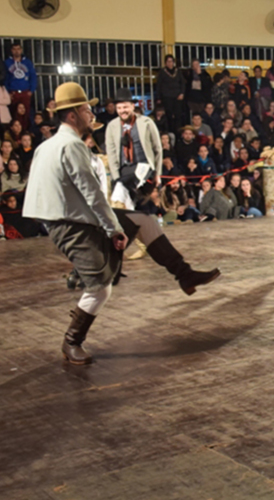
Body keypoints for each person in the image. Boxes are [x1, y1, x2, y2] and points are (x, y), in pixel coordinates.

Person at [22, 82, 220, 365]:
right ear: (72, 115)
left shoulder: (49, 145)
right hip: (71, 224)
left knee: (145, 221)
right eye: (86, 109)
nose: (92, 114)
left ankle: (184, 275)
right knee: (101, 288)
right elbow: (91, 193)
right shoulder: (71, 145)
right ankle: (71, 341)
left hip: (73, 220)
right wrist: (113, 228)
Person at [105, 88, 162, 209]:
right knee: (127, 198)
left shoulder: (146, 122)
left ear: (132, 106)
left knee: (125, 186)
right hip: (125, 169)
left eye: (125, 107)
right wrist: (116, 178)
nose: (122, 111)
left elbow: (157, 149)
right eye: (119, 108)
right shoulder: (112, 126)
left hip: (144, 166)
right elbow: (111, 154)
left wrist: (157, 174)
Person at [4, 42, 37, 120]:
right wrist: (7, 92)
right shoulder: (7, 62)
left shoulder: (27, 62)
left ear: (21, 50)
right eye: (14, 49)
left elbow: (33, 76)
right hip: (13, 92)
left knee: (26, 112)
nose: (16, 51)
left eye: (18, 49)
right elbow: (5, 78)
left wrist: (31, 90)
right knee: (14, 112)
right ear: (11, 50)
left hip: (25, 91)